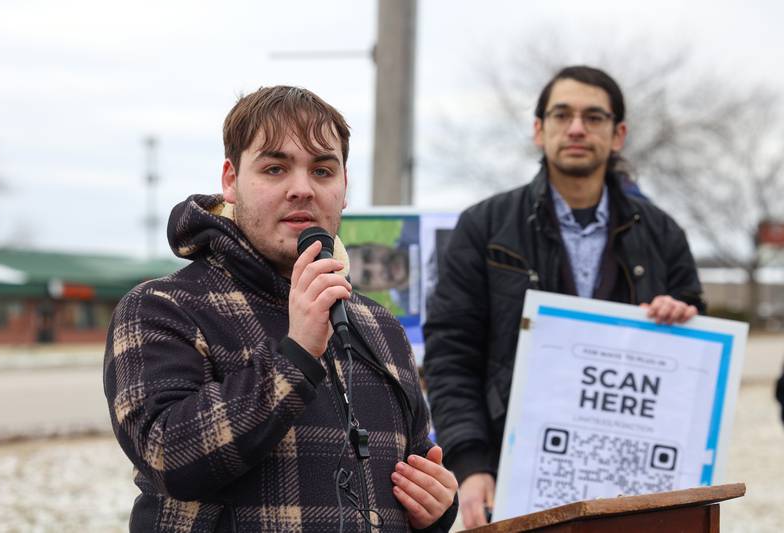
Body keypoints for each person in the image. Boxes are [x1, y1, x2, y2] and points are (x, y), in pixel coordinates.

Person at [103, 86, 457, 532]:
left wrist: (436, 506)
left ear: (344, 187)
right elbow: (167, 455)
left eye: (323, 171)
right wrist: (296, 357)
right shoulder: (161, 308)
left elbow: (415, 470)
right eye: (275, 168)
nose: (302, 190)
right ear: (231, 181)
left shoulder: (379, 325)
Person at [422, 65, 705, 529]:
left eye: (594, 117)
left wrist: (683, 319)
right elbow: (452, 354)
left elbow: (694, 362)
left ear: (618, 135)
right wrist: (470, 464)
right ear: (539, 129)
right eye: (562, 115)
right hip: (515, 472)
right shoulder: (484, 226)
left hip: (635, 480)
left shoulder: (663, 234)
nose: (577, 128)